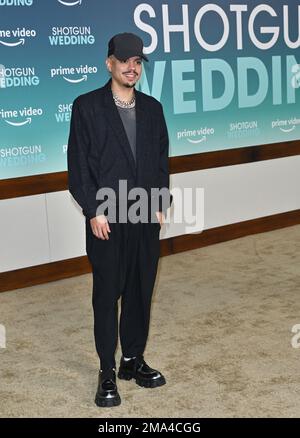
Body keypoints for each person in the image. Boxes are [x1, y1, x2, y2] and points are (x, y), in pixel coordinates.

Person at [67, 32, 172, 408]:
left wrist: (161, 203)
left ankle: (132, 360)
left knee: (141, 292)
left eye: (138, 61)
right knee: (107, 295)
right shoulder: (87, 107)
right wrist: (93, 209)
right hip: (106, 218)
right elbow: (78, 166)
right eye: (125, 60)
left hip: (145, 215)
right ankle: (107, 370)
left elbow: (161, 161)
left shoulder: (153, 108)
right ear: (109, 63)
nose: (132, 67)